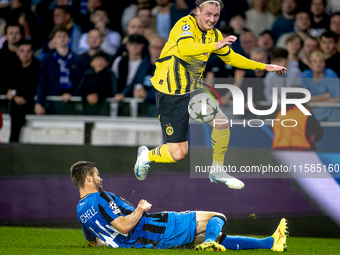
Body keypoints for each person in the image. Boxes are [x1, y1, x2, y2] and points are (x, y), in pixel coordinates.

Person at [134, 0, 287, 190]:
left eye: (216, 15)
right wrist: (215, 45)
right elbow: (186, 48)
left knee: (222, 122)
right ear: (198, 11)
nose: (212, 19)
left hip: (193, 90)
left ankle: (217, 171)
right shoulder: (184, 25)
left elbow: (230, 57)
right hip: (170, 92)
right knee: (178, 153)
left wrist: (264, 66)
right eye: (208, 14)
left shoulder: (214, 34)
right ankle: (145, 156)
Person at [70, 160, 288, 251]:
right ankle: (209, 246)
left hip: (145, 243)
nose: (101, 178)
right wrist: (140, 209)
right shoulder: (101, 198)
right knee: (216, 217)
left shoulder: (81, 210)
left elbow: (93, 243)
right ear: (88, 179)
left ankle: (271, 243)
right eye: (97, 175)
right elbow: (124, 226)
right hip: (157, 228)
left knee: (213, 236)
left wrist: (119, 245)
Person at [35, 25, 85, 115]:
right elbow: (42, 82)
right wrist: (38, 102)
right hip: (52, 103)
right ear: (54, 39)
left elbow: (81, 82)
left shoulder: (78, 59)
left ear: (69, 39)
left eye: (64, 36)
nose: (62, 39)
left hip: (73, 103)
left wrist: (73, 95)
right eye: (59, 36)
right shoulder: (48, 59)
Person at [5, 40, 40, 142]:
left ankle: (13, 142)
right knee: (16, 109)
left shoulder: (37, 66)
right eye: (22, 51)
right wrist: (15, 95)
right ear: (17, 52)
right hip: (16, 104)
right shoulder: (12, 65)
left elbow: (32, 88)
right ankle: (13, 142)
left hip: (33, 101)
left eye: (28, 51)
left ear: (32, 52)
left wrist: (15, 93)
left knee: (17, 109)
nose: (25, 54)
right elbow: (8, 85)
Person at [301, 51, 340, 121]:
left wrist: (312, 100)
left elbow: (337, 99)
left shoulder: (330, 74)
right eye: (315, 61)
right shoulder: (305, 76)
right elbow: (303, 100)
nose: (318, 64)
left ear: (324, 64)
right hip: (311, 114)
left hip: (331, 114)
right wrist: (326, 96)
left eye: (320, 61)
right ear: (310, 64)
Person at [76, 51, 117, 116]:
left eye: (102, 60)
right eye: (97, 59)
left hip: (104, 110)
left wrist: (99, 97)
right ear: (92, 63)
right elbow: (79, 91)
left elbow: (114, 92)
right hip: (87, 109)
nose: (100, 62)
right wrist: (87, 97)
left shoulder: (110, 75)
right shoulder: (87, 75)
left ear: (107, 63)